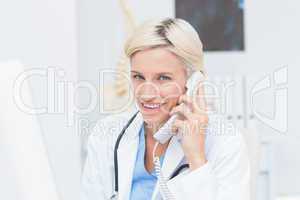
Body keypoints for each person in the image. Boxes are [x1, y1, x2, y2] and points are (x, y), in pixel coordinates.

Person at [81, 18, 250, 200]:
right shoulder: (106, 135)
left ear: (193, 81)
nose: (146, 94)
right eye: (138, 76)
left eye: (163, 78)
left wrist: (196, 158)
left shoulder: (225, 143)